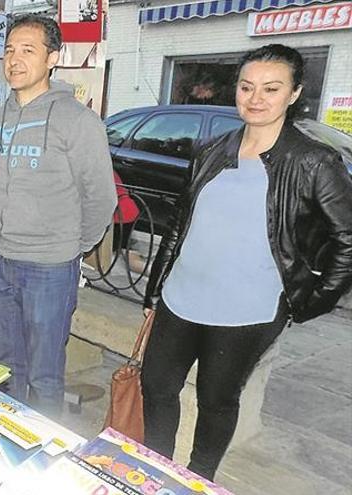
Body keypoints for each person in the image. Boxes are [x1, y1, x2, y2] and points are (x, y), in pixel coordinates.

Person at [141, 44, 352, 481]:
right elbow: (180, 226)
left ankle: (198, 479)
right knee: (157, 386)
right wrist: (154, 290)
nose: (255, 98)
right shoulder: (212, 150)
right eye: (246, 87)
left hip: (247, 311)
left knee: (217, 399)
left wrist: (310, 301)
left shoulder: (313, 161)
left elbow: (346, 239)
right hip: (181, 298)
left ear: (294, 94)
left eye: (271, 88)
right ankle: (154, 472)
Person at [0, 14, 116, 420]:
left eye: (28, 50)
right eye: (9, 50)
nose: (15, 60)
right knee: (0, 367)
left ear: (53, 57)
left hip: (48, 269)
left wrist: (71, 249)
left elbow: (100, 198)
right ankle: (5, 435)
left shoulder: (78, 121)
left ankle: (41, 454)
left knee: (44, 375)